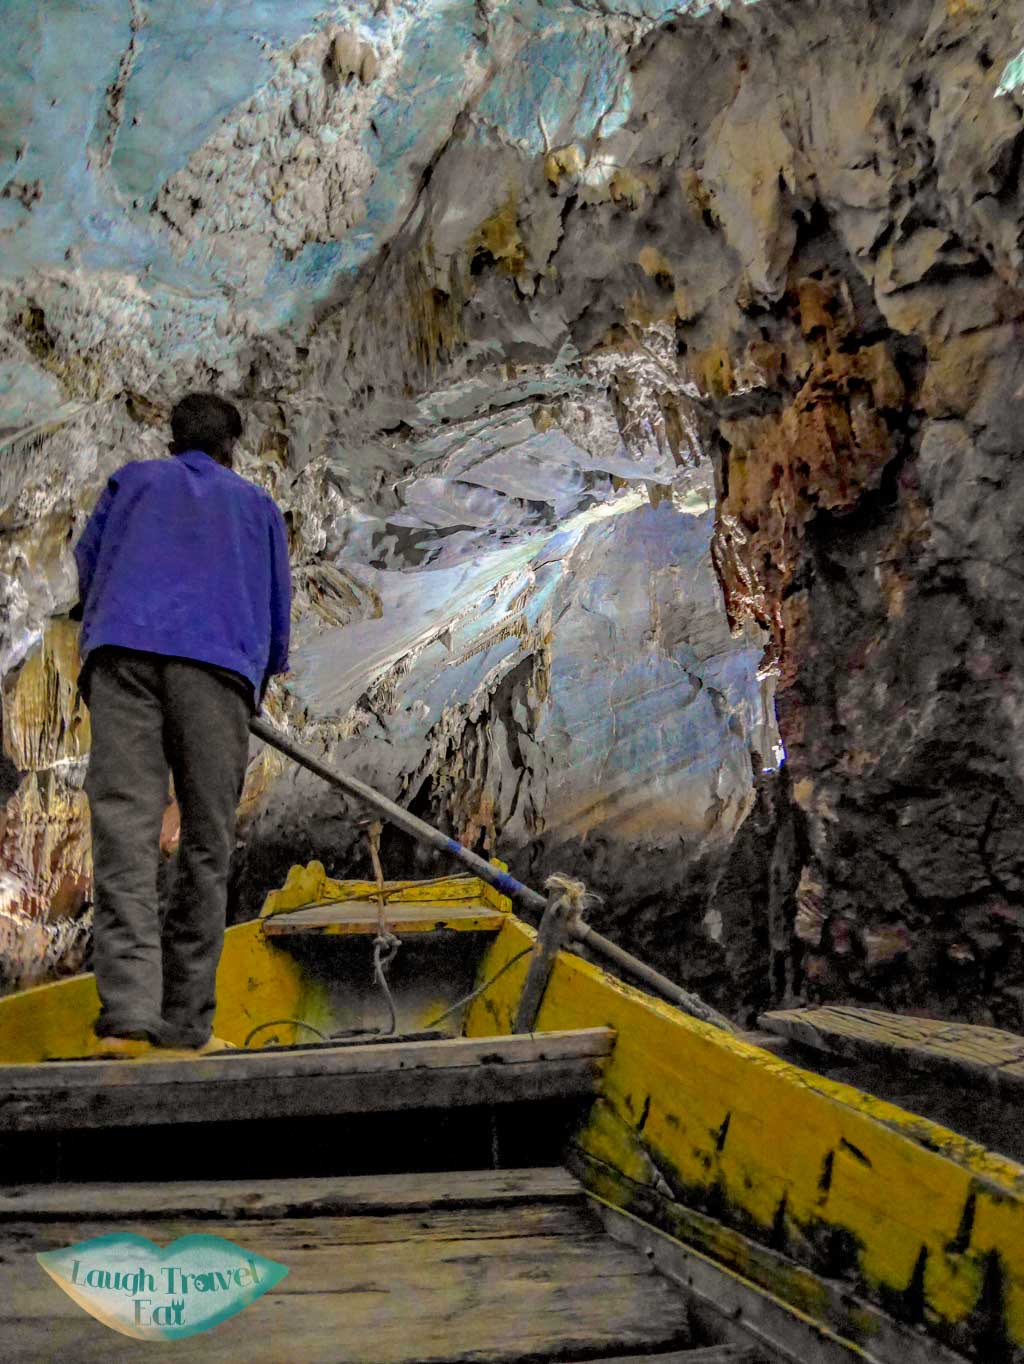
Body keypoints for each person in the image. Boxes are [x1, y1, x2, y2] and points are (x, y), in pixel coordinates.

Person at [72, 392, 291, 1058]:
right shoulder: (256, 507)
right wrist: (254, 673)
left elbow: (86, 566)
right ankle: (186, 1024)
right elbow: (278, 622)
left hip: (125, 658)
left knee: (126, 830)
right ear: (232, 446)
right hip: (217, 670)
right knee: (205, 842)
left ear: (173, 440)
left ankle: (129, 1015)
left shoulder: (132, 482)